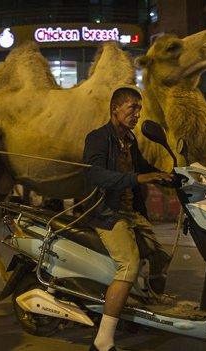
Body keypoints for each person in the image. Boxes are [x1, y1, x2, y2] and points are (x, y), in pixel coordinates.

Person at [83, 86, 173, 351]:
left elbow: (143, 169)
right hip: (108, 214)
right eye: (132, 108)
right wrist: (138, 178)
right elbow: (94, 174)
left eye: (139, 109)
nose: (137, 114)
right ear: (115, 109)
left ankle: (146, 313)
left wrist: (169, 176)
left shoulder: (130, 141)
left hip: (132, 213)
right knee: (129, 266)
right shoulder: (99, 138)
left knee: (160, 257)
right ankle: (102, 341)